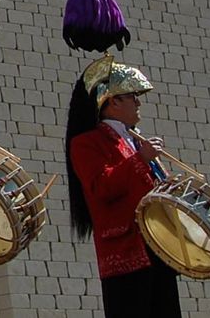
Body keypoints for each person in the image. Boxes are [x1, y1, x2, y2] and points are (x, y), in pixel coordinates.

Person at [66, 53, 180, 317]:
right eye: (131, 96)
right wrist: (140, 160)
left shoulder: (135, 141)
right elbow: (101, 186)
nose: (138, 102)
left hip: (158, 248)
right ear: (113, 101)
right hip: (125, 252)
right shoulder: (86, 143)